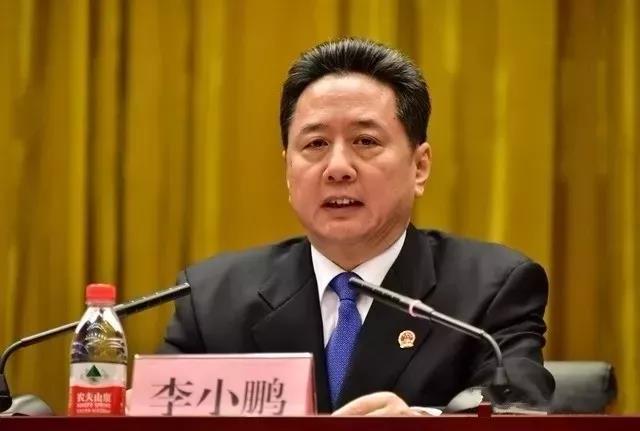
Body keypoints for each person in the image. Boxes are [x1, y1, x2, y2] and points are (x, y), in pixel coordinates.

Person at [159, 38, 555, 416]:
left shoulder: (491, 291)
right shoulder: (212, 300)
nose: (337, 168)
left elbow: (514, 410)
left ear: (419, 167)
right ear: (287, 169)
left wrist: (421, 422)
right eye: (315, 144)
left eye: (365, 141)